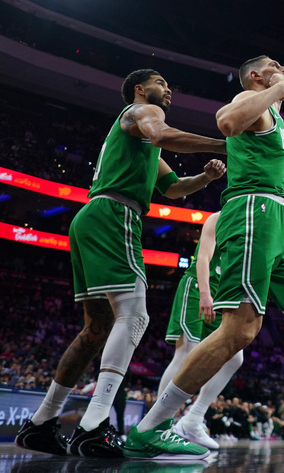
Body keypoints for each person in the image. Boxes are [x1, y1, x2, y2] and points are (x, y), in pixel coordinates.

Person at [125, 56, 284, 459]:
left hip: (275, 221)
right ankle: (151, 427)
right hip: (251, 220)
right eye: (275, 66)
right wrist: (277, 89)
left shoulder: (272, 121)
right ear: (257, 76)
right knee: (239, 332)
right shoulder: (250, 98)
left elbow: (276, 188)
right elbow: (225, 121)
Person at [16, 69, 226, 458]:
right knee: (136, 316)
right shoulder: (141, 112)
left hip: (91, 217)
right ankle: (94, 425)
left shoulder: (143, 138)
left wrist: (205, 177)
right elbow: (163, 134)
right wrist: (224, 141)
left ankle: (41, 422)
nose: (170, 90)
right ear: (140, 89)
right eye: (163, 83)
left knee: (96, 329)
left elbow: (174, 189)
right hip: (116, 213)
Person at [158, 141, 284, 450]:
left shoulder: (257, 210)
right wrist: (204, 293)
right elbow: (203, 259)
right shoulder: (220, 216)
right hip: (200, 289)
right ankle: (158, 423)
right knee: (185, 352)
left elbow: (282, 190)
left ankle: (192, 419)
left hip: (224, 290)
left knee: (235, 357)